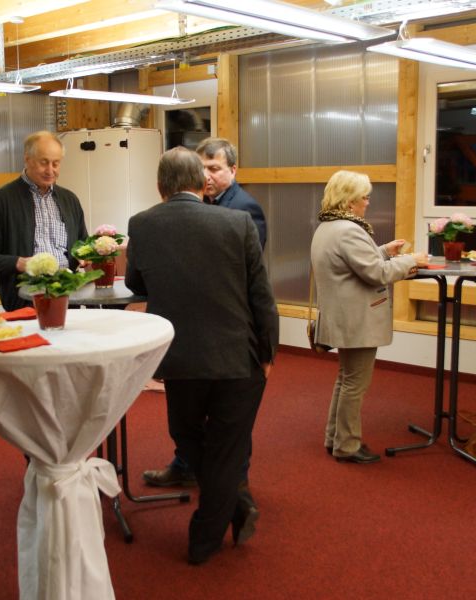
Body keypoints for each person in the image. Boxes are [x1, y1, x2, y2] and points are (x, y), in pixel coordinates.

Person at [126, 147, 279, 565]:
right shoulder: (237, 222)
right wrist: (268, 351)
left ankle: (211, 530)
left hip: (180, 357)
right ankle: (213, 530)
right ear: (201, 182)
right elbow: (261, 295)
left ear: (160, 187)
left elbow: (136, 282)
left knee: (185, 433)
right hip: (239, 356)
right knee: (227, 447)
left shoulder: (142, 224)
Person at [143, 137, 266, 492]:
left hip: (228, 331)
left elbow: (245, 277)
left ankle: (235, 487)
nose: (208, 175)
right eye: (203, 169)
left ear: (233, 170)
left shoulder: (245, 210)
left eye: (215, 168)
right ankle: (189, 468)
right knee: (192, 415)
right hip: (196, 329)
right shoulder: (204, 205)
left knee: (229, 421)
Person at [311, 170, 427, 464]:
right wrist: (410, 261)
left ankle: (334, 438)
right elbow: (376, 273)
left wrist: (385, 251)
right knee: (354, 384)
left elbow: (354, 262)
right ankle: (347, 446)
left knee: (345, 379)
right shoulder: (350, 230)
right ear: (349, 201)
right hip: (357, 319)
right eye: (364, 197)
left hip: (343, 317)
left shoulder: (327, 226)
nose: (367, 202)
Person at [0, 131, 88, 311]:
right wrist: (20, 263)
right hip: (25, 299)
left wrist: (87, 257)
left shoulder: (69, 200)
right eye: (44, 162)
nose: (50, 170)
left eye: (56, 163)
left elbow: (82, 244)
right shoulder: (0, 201)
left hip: (69, 297)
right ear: (27, 159)